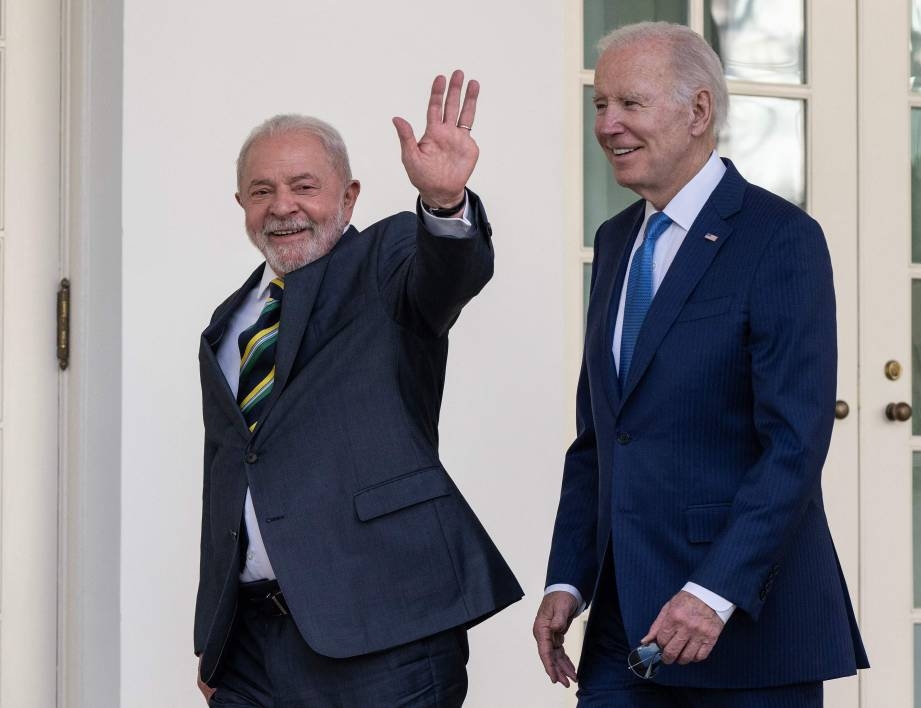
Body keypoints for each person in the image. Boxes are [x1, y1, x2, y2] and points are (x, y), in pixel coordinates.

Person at [533, 22, 868, 707]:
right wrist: (566, 581)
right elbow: (602, 437)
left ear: (698, 111)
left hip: (745, 630)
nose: (608, 124)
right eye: (601, 105)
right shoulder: (617, 239)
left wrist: (713, 593)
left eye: (631, 103)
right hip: (623, 631)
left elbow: (794, 445)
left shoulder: (782, 241)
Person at [194, 71, 522, 707]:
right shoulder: (227, 323)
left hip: (387, 636)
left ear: (348, 196)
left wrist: (446, 205)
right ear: (241, 206)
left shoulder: (387, 260)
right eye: (262, 190)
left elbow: (449, 270)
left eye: (304, 186)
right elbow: (228, 475)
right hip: (254, 649)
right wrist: (216, 634)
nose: (282, 206)